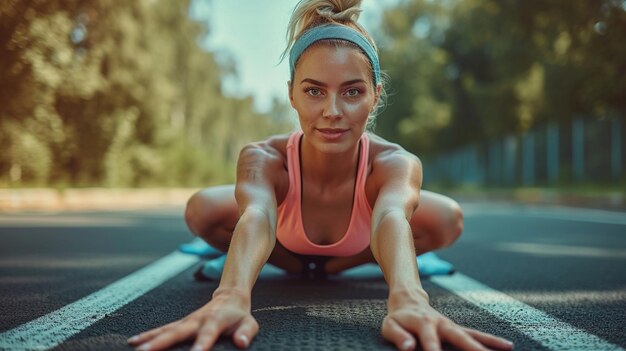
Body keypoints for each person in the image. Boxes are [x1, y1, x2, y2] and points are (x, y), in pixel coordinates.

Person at [128, 1, 514, 350]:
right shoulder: (263, 157)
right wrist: (230, 295)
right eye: (314, 92)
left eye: (351, 92)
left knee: (448, 218)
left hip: (358, 246)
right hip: (283, 245)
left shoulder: (396, 162)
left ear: (375, 95)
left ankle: (338, 264)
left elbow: (391, 216)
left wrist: (408, 297)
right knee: (201, 210)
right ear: (292, 94)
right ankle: (291, 263)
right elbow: (258, 215)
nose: (332, 111)